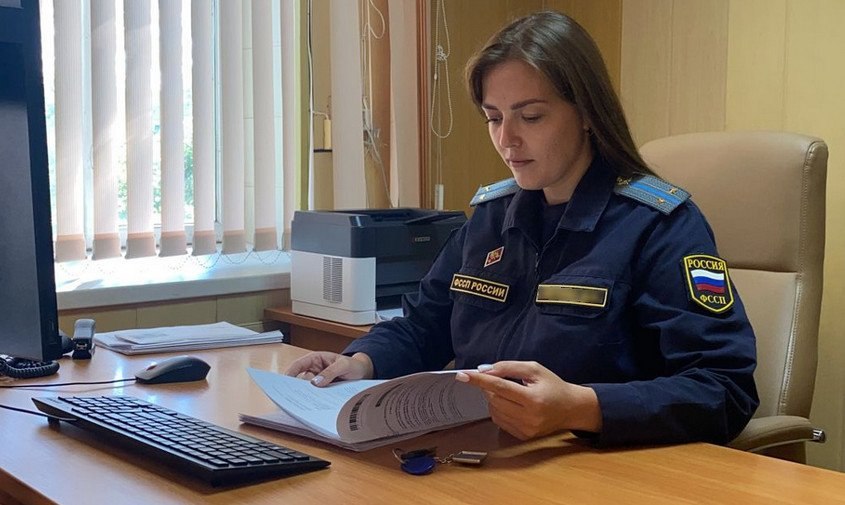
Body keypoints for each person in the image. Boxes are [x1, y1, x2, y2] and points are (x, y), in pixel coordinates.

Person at [286, 10, 758, 447]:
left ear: (588, 113)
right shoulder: (493, 217)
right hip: (492, 454)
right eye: (494, 118)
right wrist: (361, 361)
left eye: (531, 117)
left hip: (601, 466)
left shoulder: (659, 225)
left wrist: (582, 407)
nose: (506, 139)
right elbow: (425, 325)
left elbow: (724, 388)